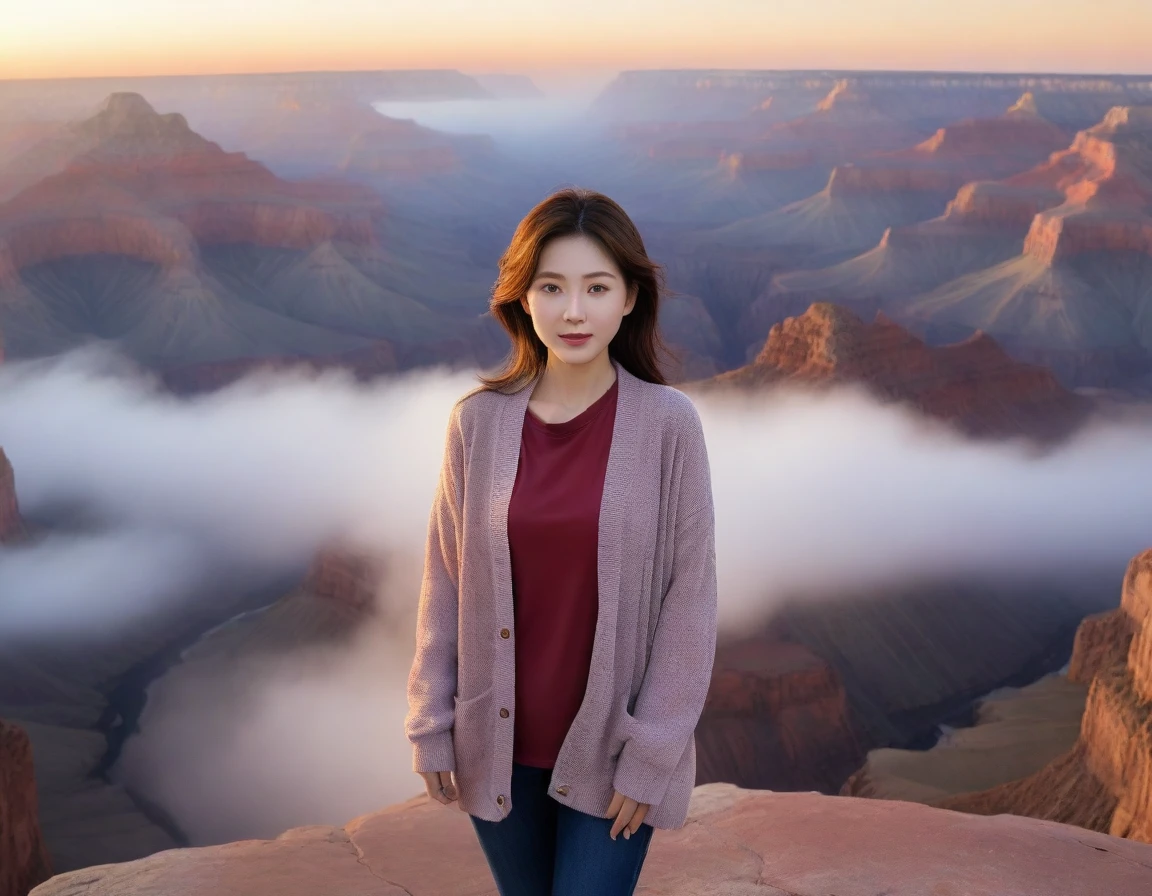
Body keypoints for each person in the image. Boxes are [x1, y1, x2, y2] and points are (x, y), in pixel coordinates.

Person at [404, 187, 718, 896]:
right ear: (523, 297)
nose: (574, 311)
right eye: (552, 287)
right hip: (498, 747)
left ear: (630, 298)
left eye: (596, 287)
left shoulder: (670, 426)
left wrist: (652, 755)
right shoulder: (478, 423)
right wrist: (431, 722)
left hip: (612, 752)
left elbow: (690, 600)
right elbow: (444, 579)